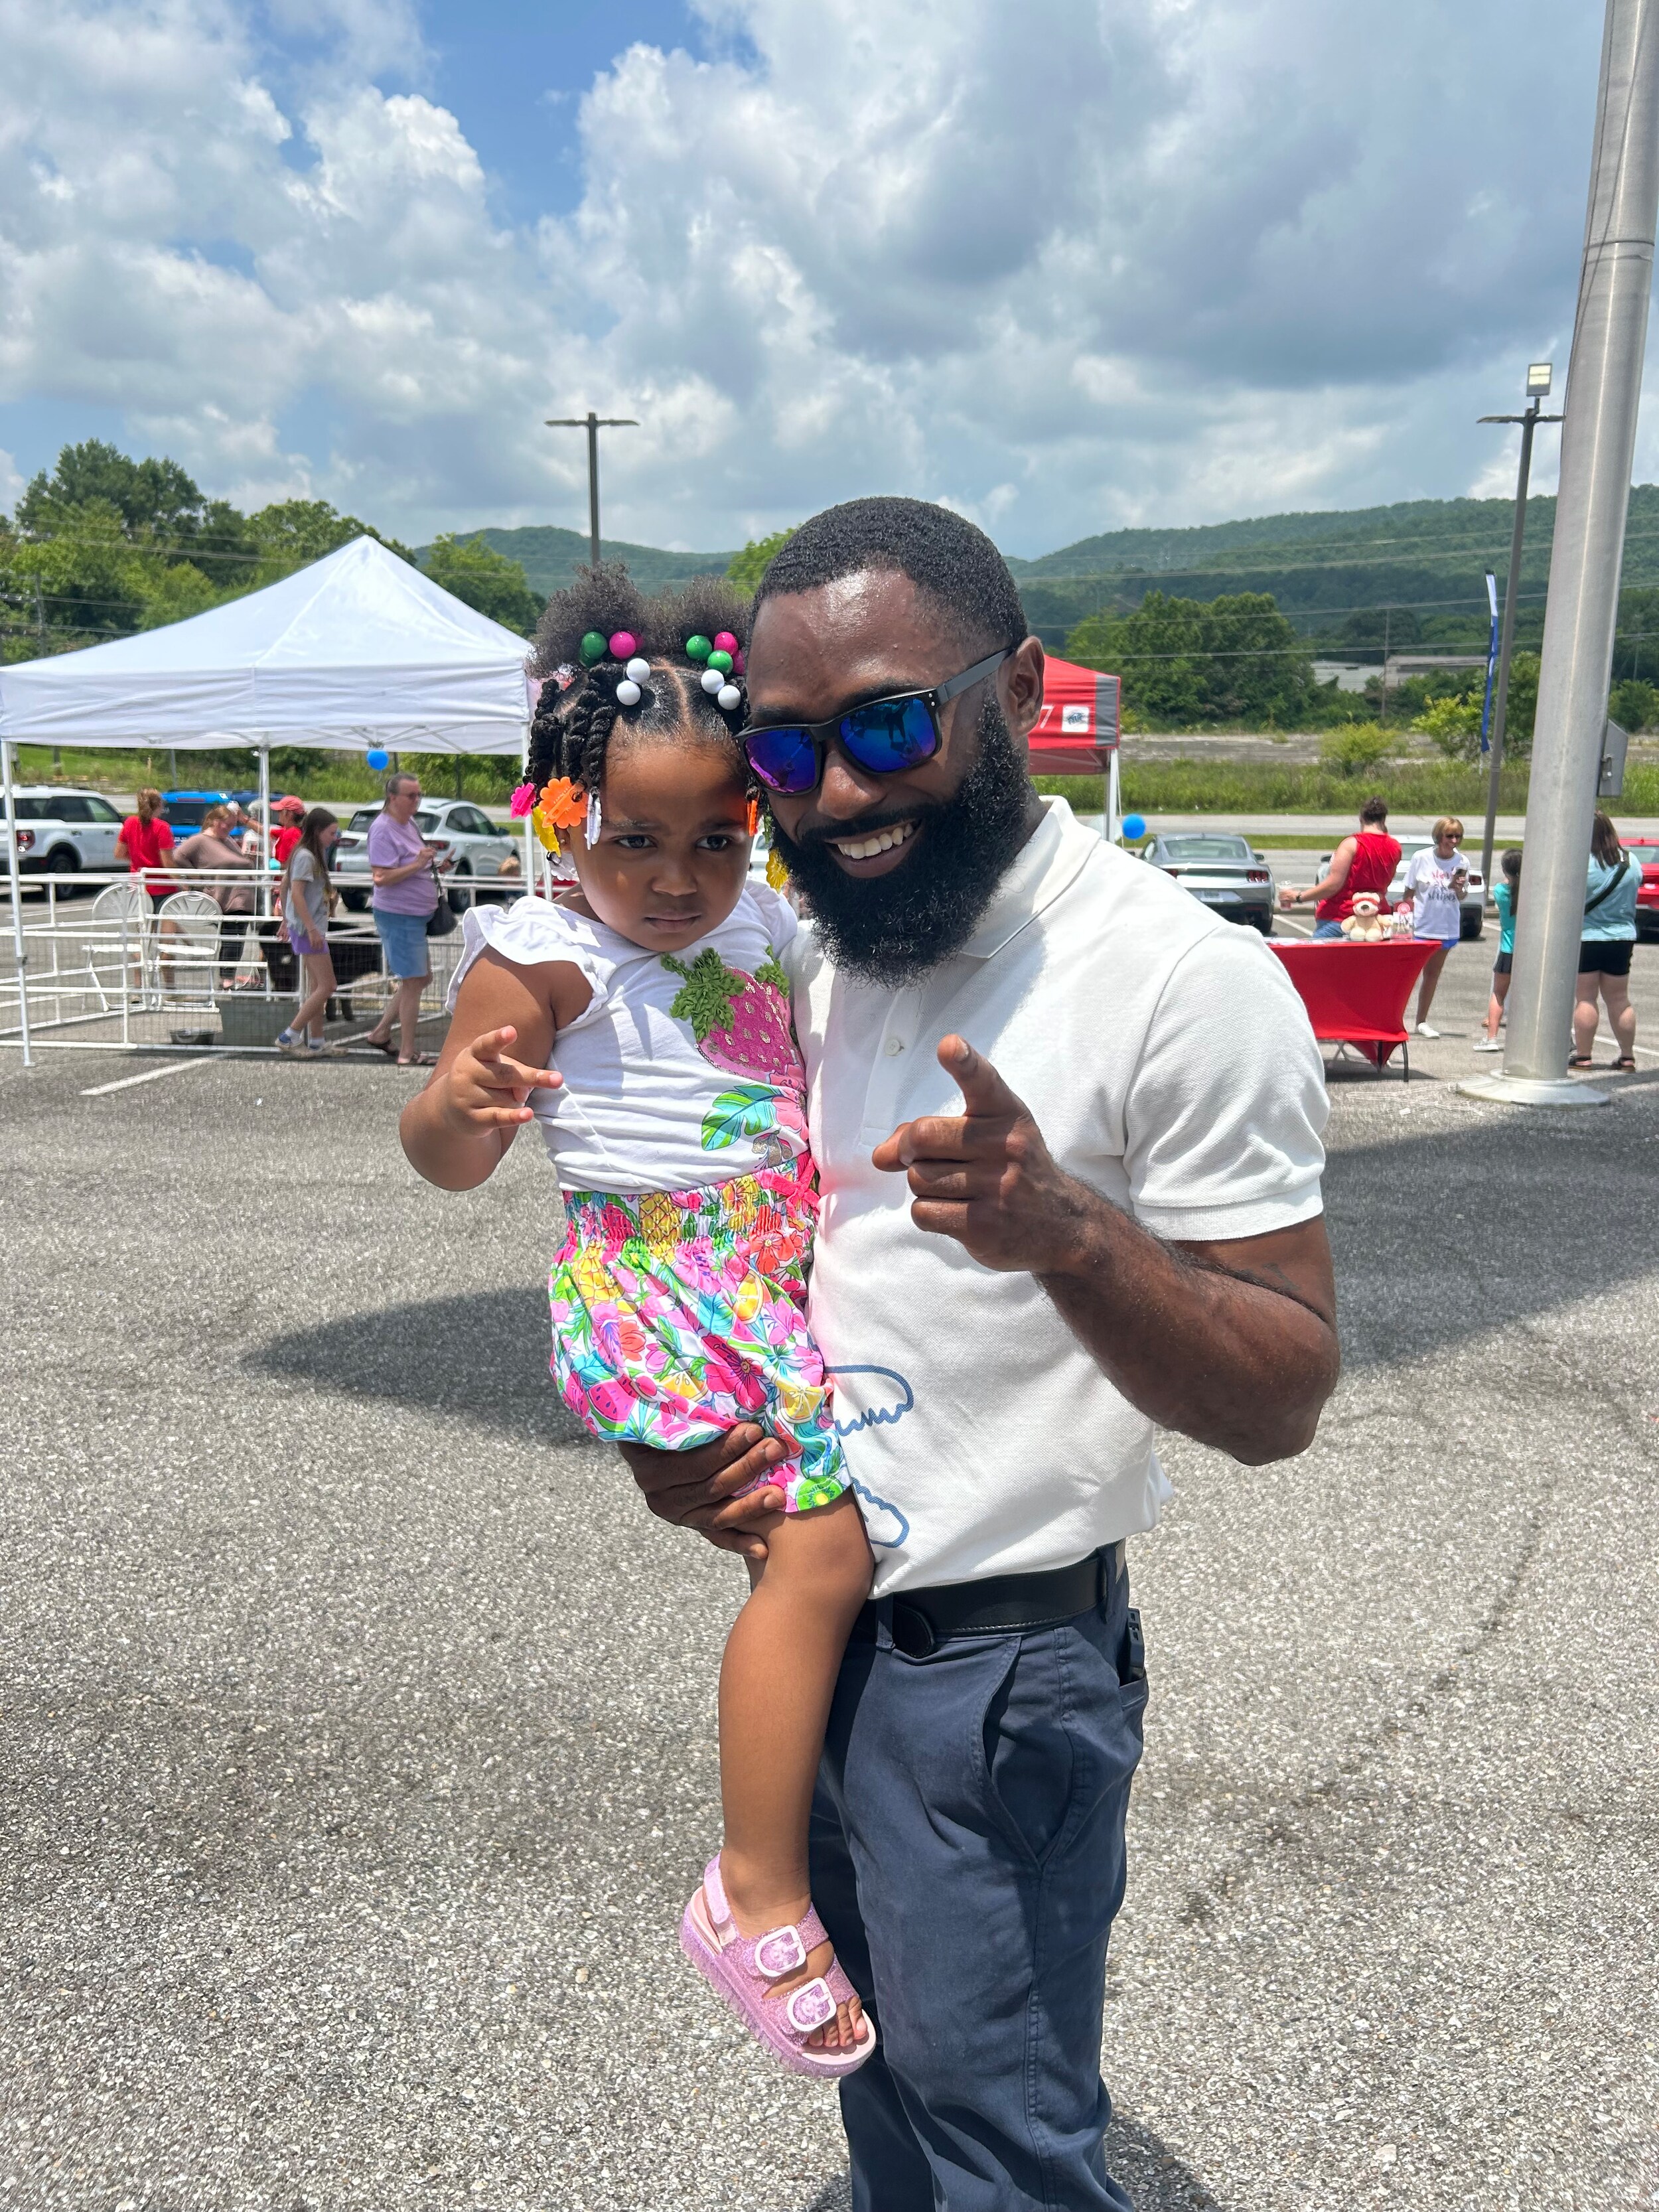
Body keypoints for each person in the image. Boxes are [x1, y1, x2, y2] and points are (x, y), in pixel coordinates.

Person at [620, 498, 1339, 2208]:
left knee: (1003, 2140)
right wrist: (683, 1433)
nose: (840, 795)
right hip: (825, 1629)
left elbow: (1287, 1388)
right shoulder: (838, 946)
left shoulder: (1183, 979)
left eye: (887, 725)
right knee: (885, 2089)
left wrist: (1068, 1233)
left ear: (1012, 688)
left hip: (1001, 1680)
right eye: (785, 755)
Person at [399, 573, 877, 2075]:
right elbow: (449, 1155)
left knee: (821, 1557)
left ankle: (815, 1828)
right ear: (559, 817)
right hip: (661, 1284)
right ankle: (756, 1889)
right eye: (636, 839)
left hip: (770, 1268)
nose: (677, 878)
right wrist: (457, 1103)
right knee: (820, 1552)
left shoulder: (771, 931)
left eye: (717, 839)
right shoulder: (543, 949)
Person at [361, 773, 448, 1067]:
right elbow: (381, 877)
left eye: (418, 795)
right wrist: (418, 864)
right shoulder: (382, 829)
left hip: (415, 914)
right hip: (399, 914)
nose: (417, 801)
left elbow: (412, 864)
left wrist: (434, 865)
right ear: (393, 798)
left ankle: (381, 1032)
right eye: (411, 796)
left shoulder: (409, 823)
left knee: (420, 978)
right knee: (414, 981)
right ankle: (407, 1052)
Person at [1279, 793, 1400, 938]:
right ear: (1383, 819)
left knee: (1314, 959)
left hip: (1341, 918)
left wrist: (1299, 897)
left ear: (1361, 818)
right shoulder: (1395, 847)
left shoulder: (1352, 844)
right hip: (1377, 920)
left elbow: (1333, 885)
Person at [1571, 811, 1638, 1070]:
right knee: (1620, 999)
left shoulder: (1582, 864)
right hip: (1622, 936)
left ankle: (1584, 1056)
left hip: (1587, 937)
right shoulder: (1630, 861)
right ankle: (1627, 1056)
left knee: (1586, 998)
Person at [275, 807, 342, 1054]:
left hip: (306, 926)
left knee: (318, 986)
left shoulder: (309, 854)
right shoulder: (307, 857)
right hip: (308, 928)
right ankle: (289, 1036)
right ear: (317, 831)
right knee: (327, 985)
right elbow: (296, 893)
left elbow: (285, 887)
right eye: (331, 832)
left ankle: (317, 1041)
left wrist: (286, 919)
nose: (334, 837)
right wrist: (310, 927)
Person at [1395, 814, 1467, 1036]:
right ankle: (1395, 1019)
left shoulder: (1462, 861)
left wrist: (1458, 888)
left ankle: (1421, 1021)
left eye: (1458, 836)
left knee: (1432, 975)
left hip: (1446, 925)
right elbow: (1409, 893)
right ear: (1439, 836)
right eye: (1449, 836)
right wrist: (1404, 923)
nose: (1454, 841)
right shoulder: (1421, 858)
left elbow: (1462, 897)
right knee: (1406, 975)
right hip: (1421, 926)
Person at [173, 801, 257, 986]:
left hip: (242, 896)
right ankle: (226, 978)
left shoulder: (227, 841)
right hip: (225, 896)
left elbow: (242, 862)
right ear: (215, 821)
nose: (229, 828)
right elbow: (179, 856)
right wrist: (197, 880)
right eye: (227, 824)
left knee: (237, 937)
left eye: (233, 825)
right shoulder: (200, 840)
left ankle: (229, 976)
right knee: (231, 936)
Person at [1475, 847, 1522, 1052]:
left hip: (1507, 949)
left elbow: (1506, 886)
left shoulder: (1502, 891)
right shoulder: (1532, 892)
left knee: (1499, 994)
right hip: (1529, 951)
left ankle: (1492, 1038)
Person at [116, 787, 177, 905]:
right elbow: (167, 863)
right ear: (159, 806)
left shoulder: (129, 823)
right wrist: (181, 882)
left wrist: (138, 860)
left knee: (144, 921)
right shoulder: (162, 827)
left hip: (138, 883)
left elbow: (119, 853)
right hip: (161, 886)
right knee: (168, 922)